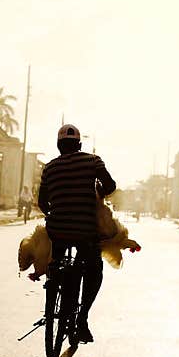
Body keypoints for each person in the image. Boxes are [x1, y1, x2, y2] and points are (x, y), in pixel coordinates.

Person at [37, 124, 116, 344]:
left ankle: (56, 287)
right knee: (94, 268)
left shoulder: (49, 168)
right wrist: (99, 188)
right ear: (79, 144)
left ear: (58, 145)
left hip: (58, 231)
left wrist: (55, 215)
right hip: (85, 231)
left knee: (57, 261)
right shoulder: (93, 161)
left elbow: (42, 202)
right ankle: (82, 318)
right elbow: (110, 185)